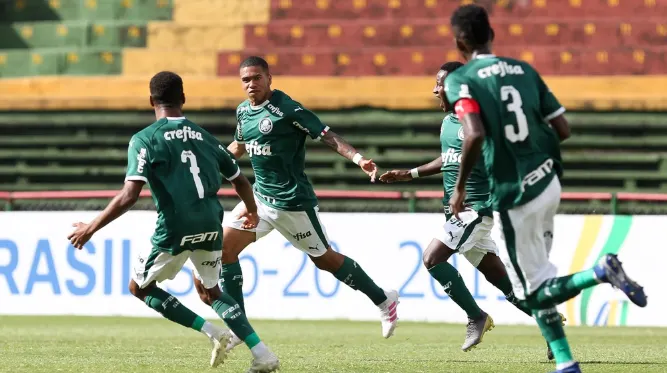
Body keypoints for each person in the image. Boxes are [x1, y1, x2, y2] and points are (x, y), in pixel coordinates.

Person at [444, 5, 647, 373]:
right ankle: (566, 362)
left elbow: (473, 132)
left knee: (530, 292)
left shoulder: (464, 78)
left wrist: (459, 189)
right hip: (547, 182)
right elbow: (563, 129)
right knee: (539, 276)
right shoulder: (524, 70)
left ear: (460, 41)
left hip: (512, 193)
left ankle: (600, 272)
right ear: (492, 34)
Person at [67, 71, 279, 373]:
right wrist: (252, 210)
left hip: (176, 228)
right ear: (183, 99)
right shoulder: (205, 137)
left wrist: (90, 227)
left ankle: (214, 332)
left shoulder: (144, 139)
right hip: (210, 223)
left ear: (152, 100)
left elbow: (129, 195)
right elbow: (241, 181)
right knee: (213, 291)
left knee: (139, 288)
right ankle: (262, 354)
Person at [192, 56, 400, 352]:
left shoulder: (288, 109)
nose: (251, 84)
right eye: (246, 80)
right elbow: (238, 147)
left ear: (269, 78)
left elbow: (327, 136)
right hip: (260, 199)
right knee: (224, 250)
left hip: (293, 204)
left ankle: (384, 299)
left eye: (256, 78)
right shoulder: (243, 112)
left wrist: (357, 159)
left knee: (325, 260)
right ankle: (239, 327)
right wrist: (212, 167)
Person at [380, 61, 561, 359]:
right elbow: (448, 158)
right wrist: (408, 173)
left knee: (432, 259)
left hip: (477, 208)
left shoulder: (481, 121)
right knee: (501, 280)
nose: (434, 88)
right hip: (457, 212)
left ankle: (475, 316)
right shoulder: (449, 121)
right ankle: (550, 326)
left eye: (439, 83)